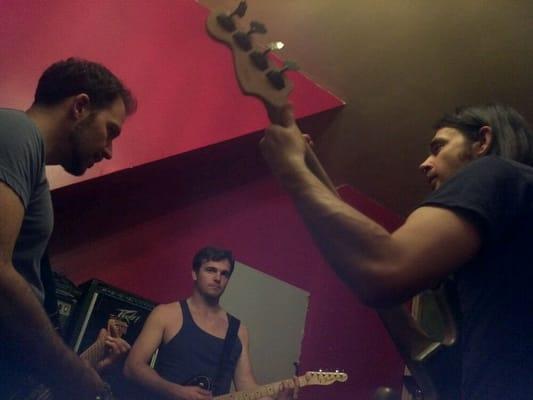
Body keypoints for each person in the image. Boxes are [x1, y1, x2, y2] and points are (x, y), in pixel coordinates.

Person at [260, 103, 533, 400]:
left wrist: (291, 168)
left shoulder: (493, 171)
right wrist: (309, 174)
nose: (425, 163)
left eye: (438, 147)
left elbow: (383, 269)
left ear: (483, 141)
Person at [0, 57, 136, 399]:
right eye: (110, 131)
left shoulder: (29, 159)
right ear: (80, 106)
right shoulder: (17, 133)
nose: (109, 151)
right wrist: (70, 372)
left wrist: (81, 367)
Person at [124, 246, 296, 400]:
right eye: (211, 270)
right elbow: (132, 367)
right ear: (194, 273)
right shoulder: (166, 314)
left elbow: (246, 386)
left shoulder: (238, 330)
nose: (217, 278)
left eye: (224, 273)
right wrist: (177, 392)